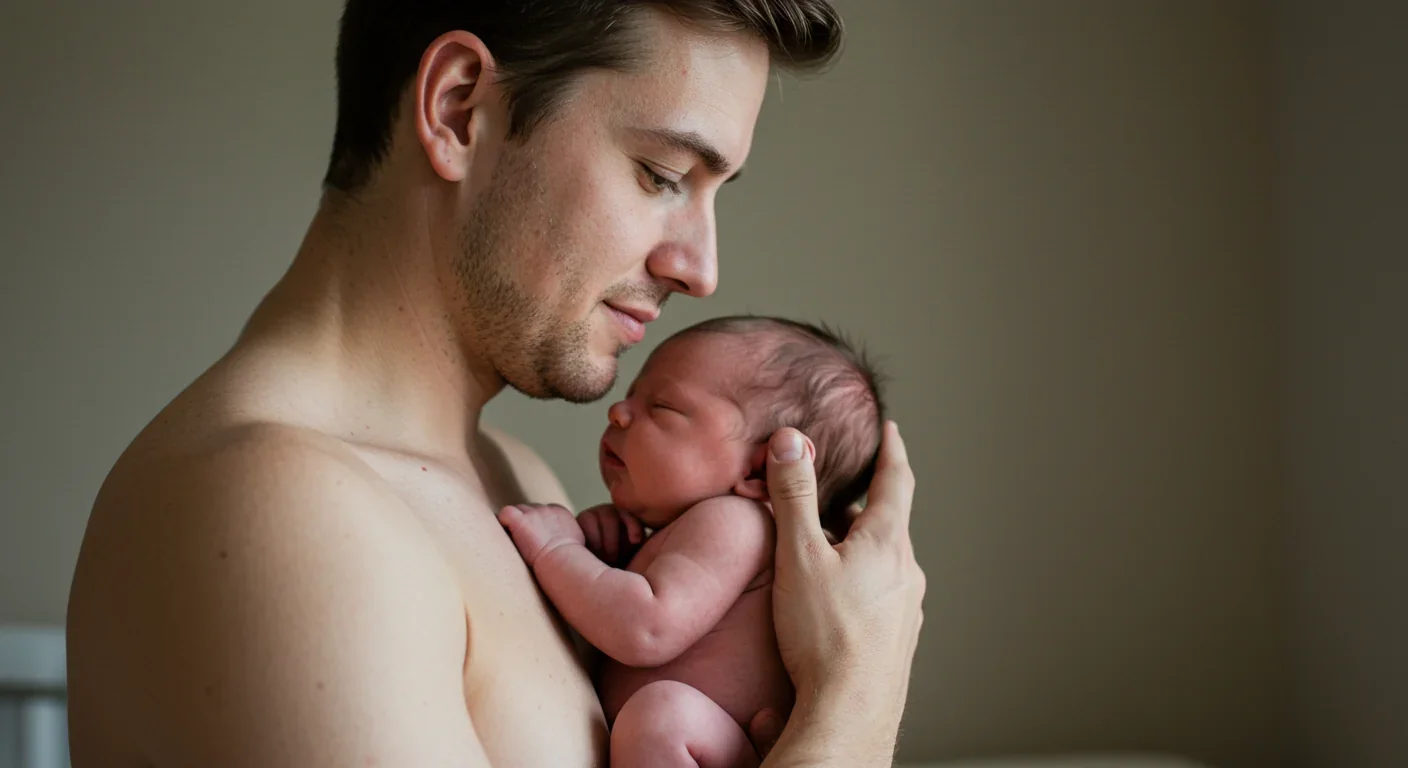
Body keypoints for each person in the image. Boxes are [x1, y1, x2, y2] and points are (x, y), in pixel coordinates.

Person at [65, 2, 926, 767]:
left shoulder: (515, 479)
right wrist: (852, 707)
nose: (700, 269)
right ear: (459, 109)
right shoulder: (277, 508)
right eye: (662, 176)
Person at [499, 315, 884, 767]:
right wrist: (608, 555)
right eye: (632, 394)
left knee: (663, 716)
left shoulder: (738, 522)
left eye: (662, 407)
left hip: (713, 748)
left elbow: (646, 626)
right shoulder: (696, 526)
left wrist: (558, 551)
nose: (618, 411)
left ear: (758, 471)